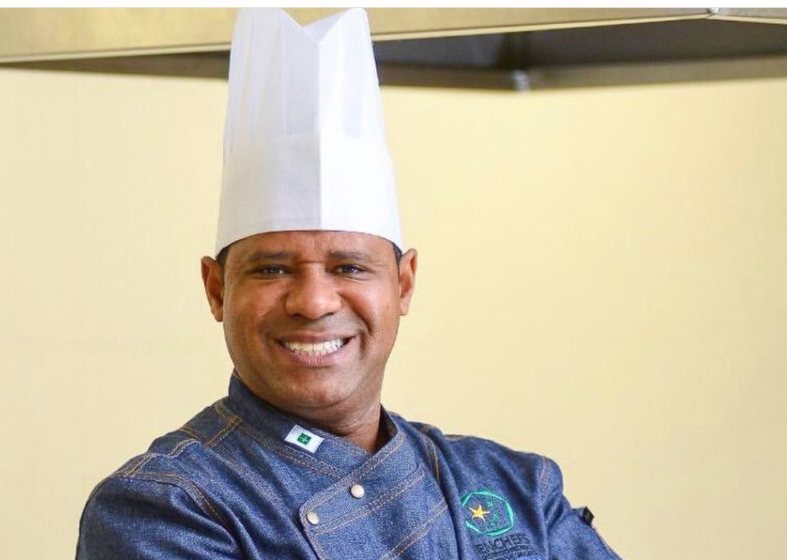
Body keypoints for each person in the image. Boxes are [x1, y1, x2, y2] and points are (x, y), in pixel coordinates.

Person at [76, 8, 621, 560]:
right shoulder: (165, 506)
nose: (313, 302)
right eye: (272, 269)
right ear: (216, 289)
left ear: (404, 284)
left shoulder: (514, 486)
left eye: (350, 268)